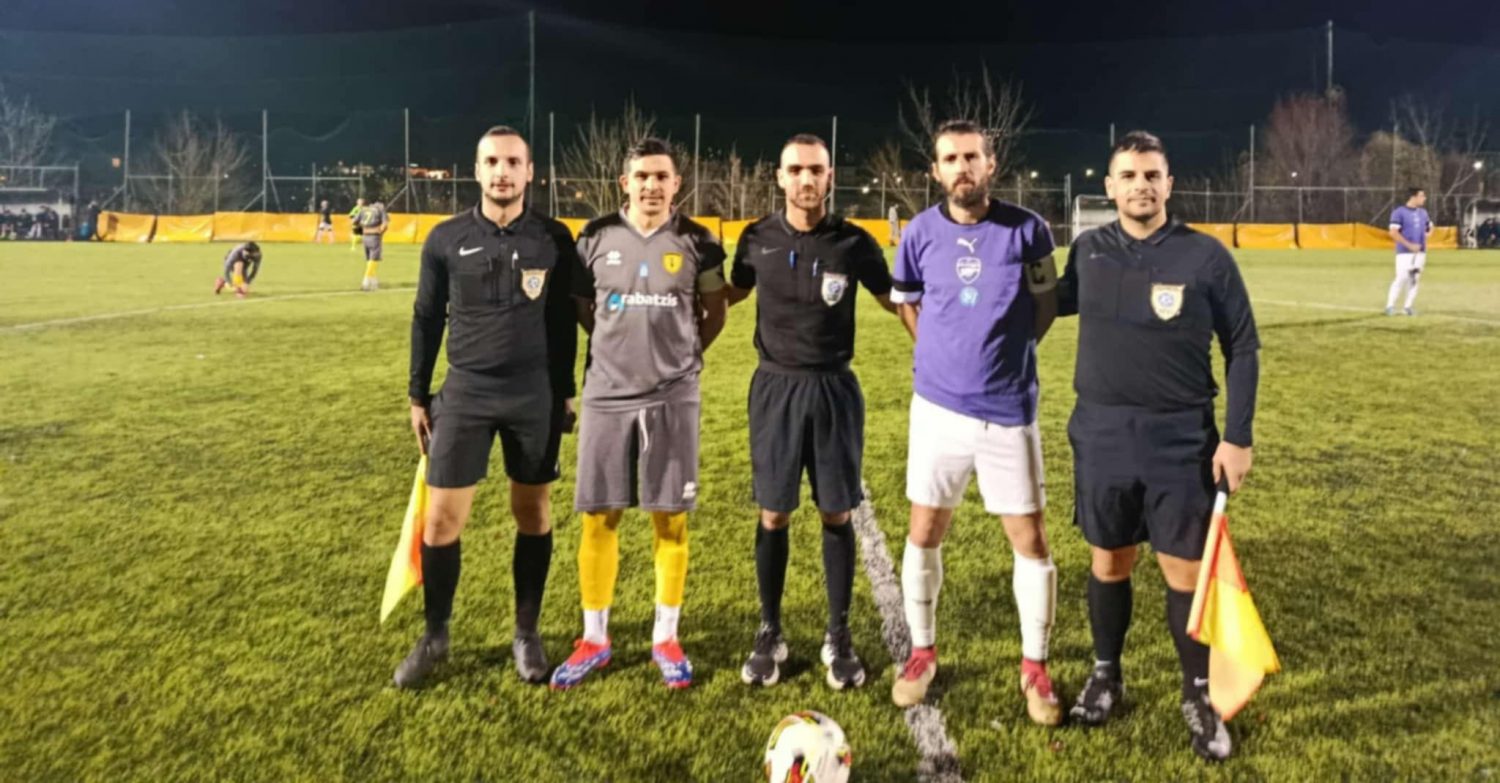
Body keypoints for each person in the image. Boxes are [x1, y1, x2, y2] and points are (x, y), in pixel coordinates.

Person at [1057, 131, 1260, 762]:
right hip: (1102, 433)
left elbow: (1244, 346)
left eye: (1152, 175)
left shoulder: (1205, 256)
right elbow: (1042, 305)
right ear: (1109, 187)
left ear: (1169, 184)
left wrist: (1238, 436)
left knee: (1185, 571)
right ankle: (1105, 675)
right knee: (1109, 561)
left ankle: (1198, 694)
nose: (1140, 185)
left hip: (1180, 438)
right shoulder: (1088, 251)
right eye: (1128, 175)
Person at [887, 119, 1063, 726]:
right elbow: (908, 305)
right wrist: (940, 356)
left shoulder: (1029, 230)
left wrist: (1008, 356)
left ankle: (1035, 667)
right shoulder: (918, 233)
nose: (961, 167)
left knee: (1030, 539)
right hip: (937, 409)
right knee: (924, 530)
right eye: (950, 159)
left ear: (991, 165)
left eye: (971, 157)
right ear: (935, 171)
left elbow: (1045, 305)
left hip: (1008, 410)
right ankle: (922, 654)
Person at [394, 125, 581, 689]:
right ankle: (435, 635)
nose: (502, 172)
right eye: (492, 162)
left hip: (532, 394)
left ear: (530, 172)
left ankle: (527, 633)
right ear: (476, 171)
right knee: (441, 521)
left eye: (513, 162)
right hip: (466, 392)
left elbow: (563, 320)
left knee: (534, 514)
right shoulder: (445, 238)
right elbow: (427, 317)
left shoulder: (554, 237)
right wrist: (418, 394)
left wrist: (565, 390)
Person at [550, 137, 728, 691]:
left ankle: (665, 638)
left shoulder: (698, 241)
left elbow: (715, 310)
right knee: (598, 515)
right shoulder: (594, 236)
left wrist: (681, 360)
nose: (652, 185)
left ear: (677, 184)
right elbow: (583, 308)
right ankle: (594, 639)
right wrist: (616, 352)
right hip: (606, 395)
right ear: (624, 183)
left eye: (661, 176)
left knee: (669, 518)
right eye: (642, 177)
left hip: (673, 396)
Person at [726, 133, 897, 690]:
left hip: (833, 388)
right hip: (774, 388)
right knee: (773, 514)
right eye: (795, 169)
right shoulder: (756, 239)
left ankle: (838, 635)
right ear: (779, 177)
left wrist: (946, 342)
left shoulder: (854, 243)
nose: (806, 179)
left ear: (829, 177)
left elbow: (896, 301)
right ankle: (769, 631)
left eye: (816, 170)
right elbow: (727, 294)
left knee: (836, 513)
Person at [1385, 187, 1433, 316]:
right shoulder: (1399, 212)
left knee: (1415, 279)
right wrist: (1409, 245)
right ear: (1413, 197)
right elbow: (1393, 232)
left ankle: (1408, 307)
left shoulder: (1423, 213)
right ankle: (1390, 306)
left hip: (1420, 252)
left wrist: (1426, 235)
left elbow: (1429, 227)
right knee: (1401, 277)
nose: (1424, 198)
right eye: (1422, 196)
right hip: (1404, 252)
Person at [358, 198, 389, 291]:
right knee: (374, 259)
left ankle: (373, 281)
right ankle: (366, 281)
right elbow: (385, 225)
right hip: (374, 236)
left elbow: (355, 222)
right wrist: (380, 232)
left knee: (369, 260)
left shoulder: (363, 210)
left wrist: (362, 231)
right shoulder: (380, 210)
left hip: (365, 236)